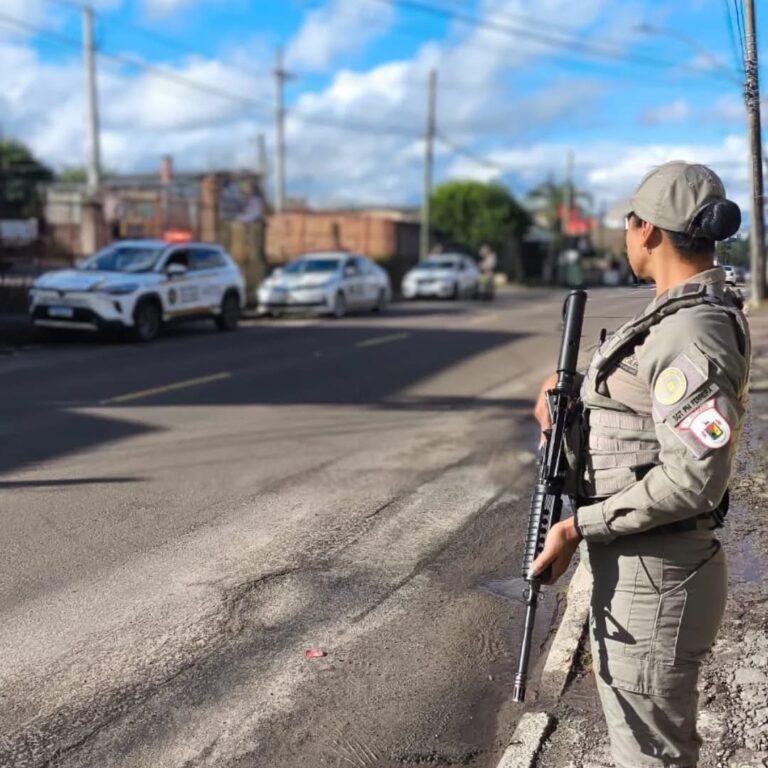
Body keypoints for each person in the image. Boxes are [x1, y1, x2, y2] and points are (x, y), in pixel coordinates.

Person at [531, 161, 749, 768]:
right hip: (644, 567)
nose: (626, 237)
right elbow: (632, 391)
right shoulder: (671, 314)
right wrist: (564, 395)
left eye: (628, 224)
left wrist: (578, 527)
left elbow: (695, 478)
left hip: (656, 573)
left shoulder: (692, 332)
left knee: (650, 754)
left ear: (648, 230)